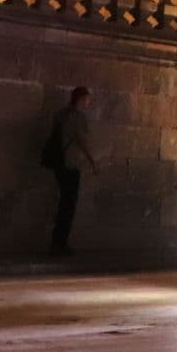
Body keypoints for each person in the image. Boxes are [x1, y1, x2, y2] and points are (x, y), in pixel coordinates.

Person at [48, 86, 98, 256]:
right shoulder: (77, 117)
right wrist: (93, 162)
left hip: (59, 163)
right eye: (87, 99)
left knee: (64, 202)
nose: (88, 103)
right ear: (81, 99)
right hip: (71, 164)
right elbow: (82, 141)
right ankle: (60, 244)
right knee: (68, 204)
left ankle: (57, 242)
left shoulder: (61, 114)